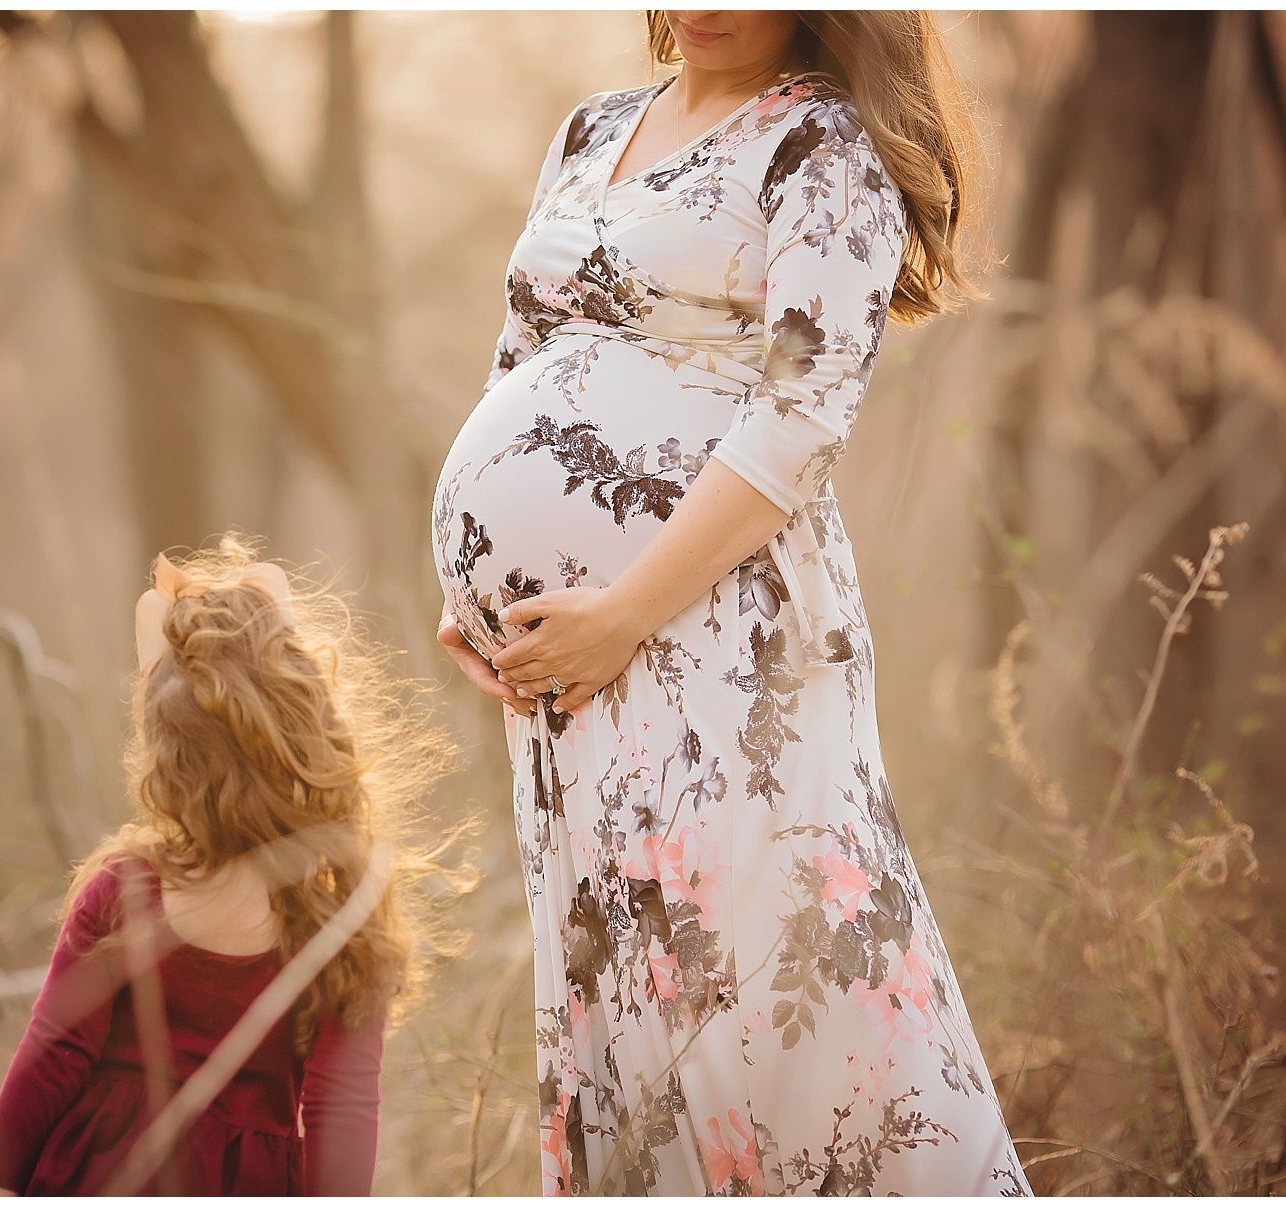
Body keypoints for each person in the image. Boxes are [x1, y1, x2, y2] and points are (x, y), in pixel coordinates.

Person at [431, 11, 1032, 1196]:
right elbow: (522, 357)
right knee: (623, 977)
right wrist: (477, 598)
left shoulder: (825, 144)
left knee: (763, 963)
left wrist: (620, 615)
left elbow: (806, 416)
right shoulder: (593, 127)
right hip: (568, 671)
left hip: (720, 634)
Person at [0, 534, 453, 1195]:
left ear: (168, 770)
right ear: (311, 737)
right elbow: (340, 1115)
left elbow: (55, 1054)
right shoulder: (343, 922)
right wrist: (268, 637)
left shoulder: (127, 889)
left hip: (89, 1168)